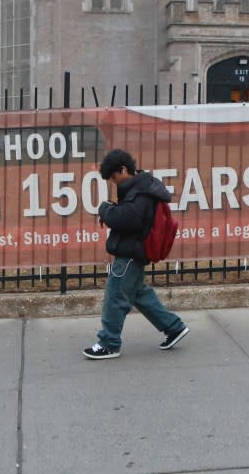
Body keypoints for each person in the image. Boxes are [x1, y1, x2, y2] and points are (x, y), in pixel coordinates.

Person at [82, 148, 189, 360]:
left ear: (123, 169)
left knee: (114, 296)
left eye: (114, 177)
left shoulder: (140, 192)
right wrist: (113, 210)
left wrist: (105, 209)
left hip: (130, 253)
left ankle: (109, 343)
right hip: (134, 251)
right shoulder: (140, 188)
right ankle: (174, 328)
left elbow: (129, 220)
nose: (114, 182)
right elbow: (130, 216)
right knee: (139, 294)